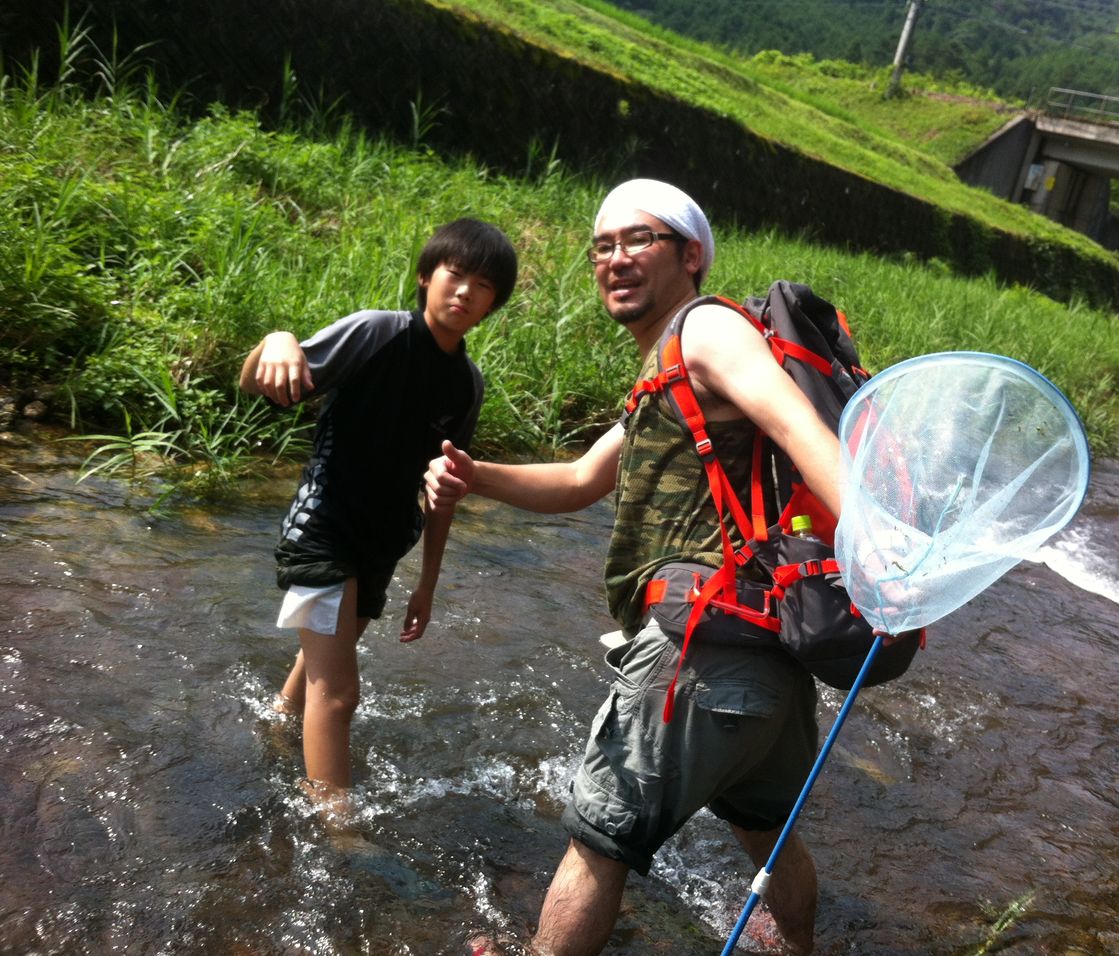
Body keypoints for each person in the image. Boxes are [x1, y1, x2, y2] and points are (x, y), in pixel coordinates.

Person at [427, 181, 842, 956]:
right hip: (765, 666)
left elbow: (800, 425)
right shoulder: (667, 369)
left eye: (638, 240)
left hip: (698, 651)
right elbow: (583, 479)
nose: (615, 258)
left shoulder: (708, 329)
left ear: (691, 255)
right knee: (767, 838)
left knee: (598, 840)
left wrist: (881, 550)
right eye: (602, 246)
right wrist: (472, 473)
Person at [239, 217, 517, 813]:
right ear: (425, 277)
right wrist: (279, 338)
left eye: (484, 284)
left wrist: (427, 582)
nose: (466, 291)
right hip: (324, 530)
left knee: (315, 675)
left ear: (495, 303)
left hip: (382, 546)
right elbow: (255, 380)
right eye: (455, 273)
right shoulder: (376, 333)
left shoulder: (467, 386)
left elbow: (445, 490)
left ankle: (274, 733)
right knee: (337, 693)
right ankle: (334, 826)